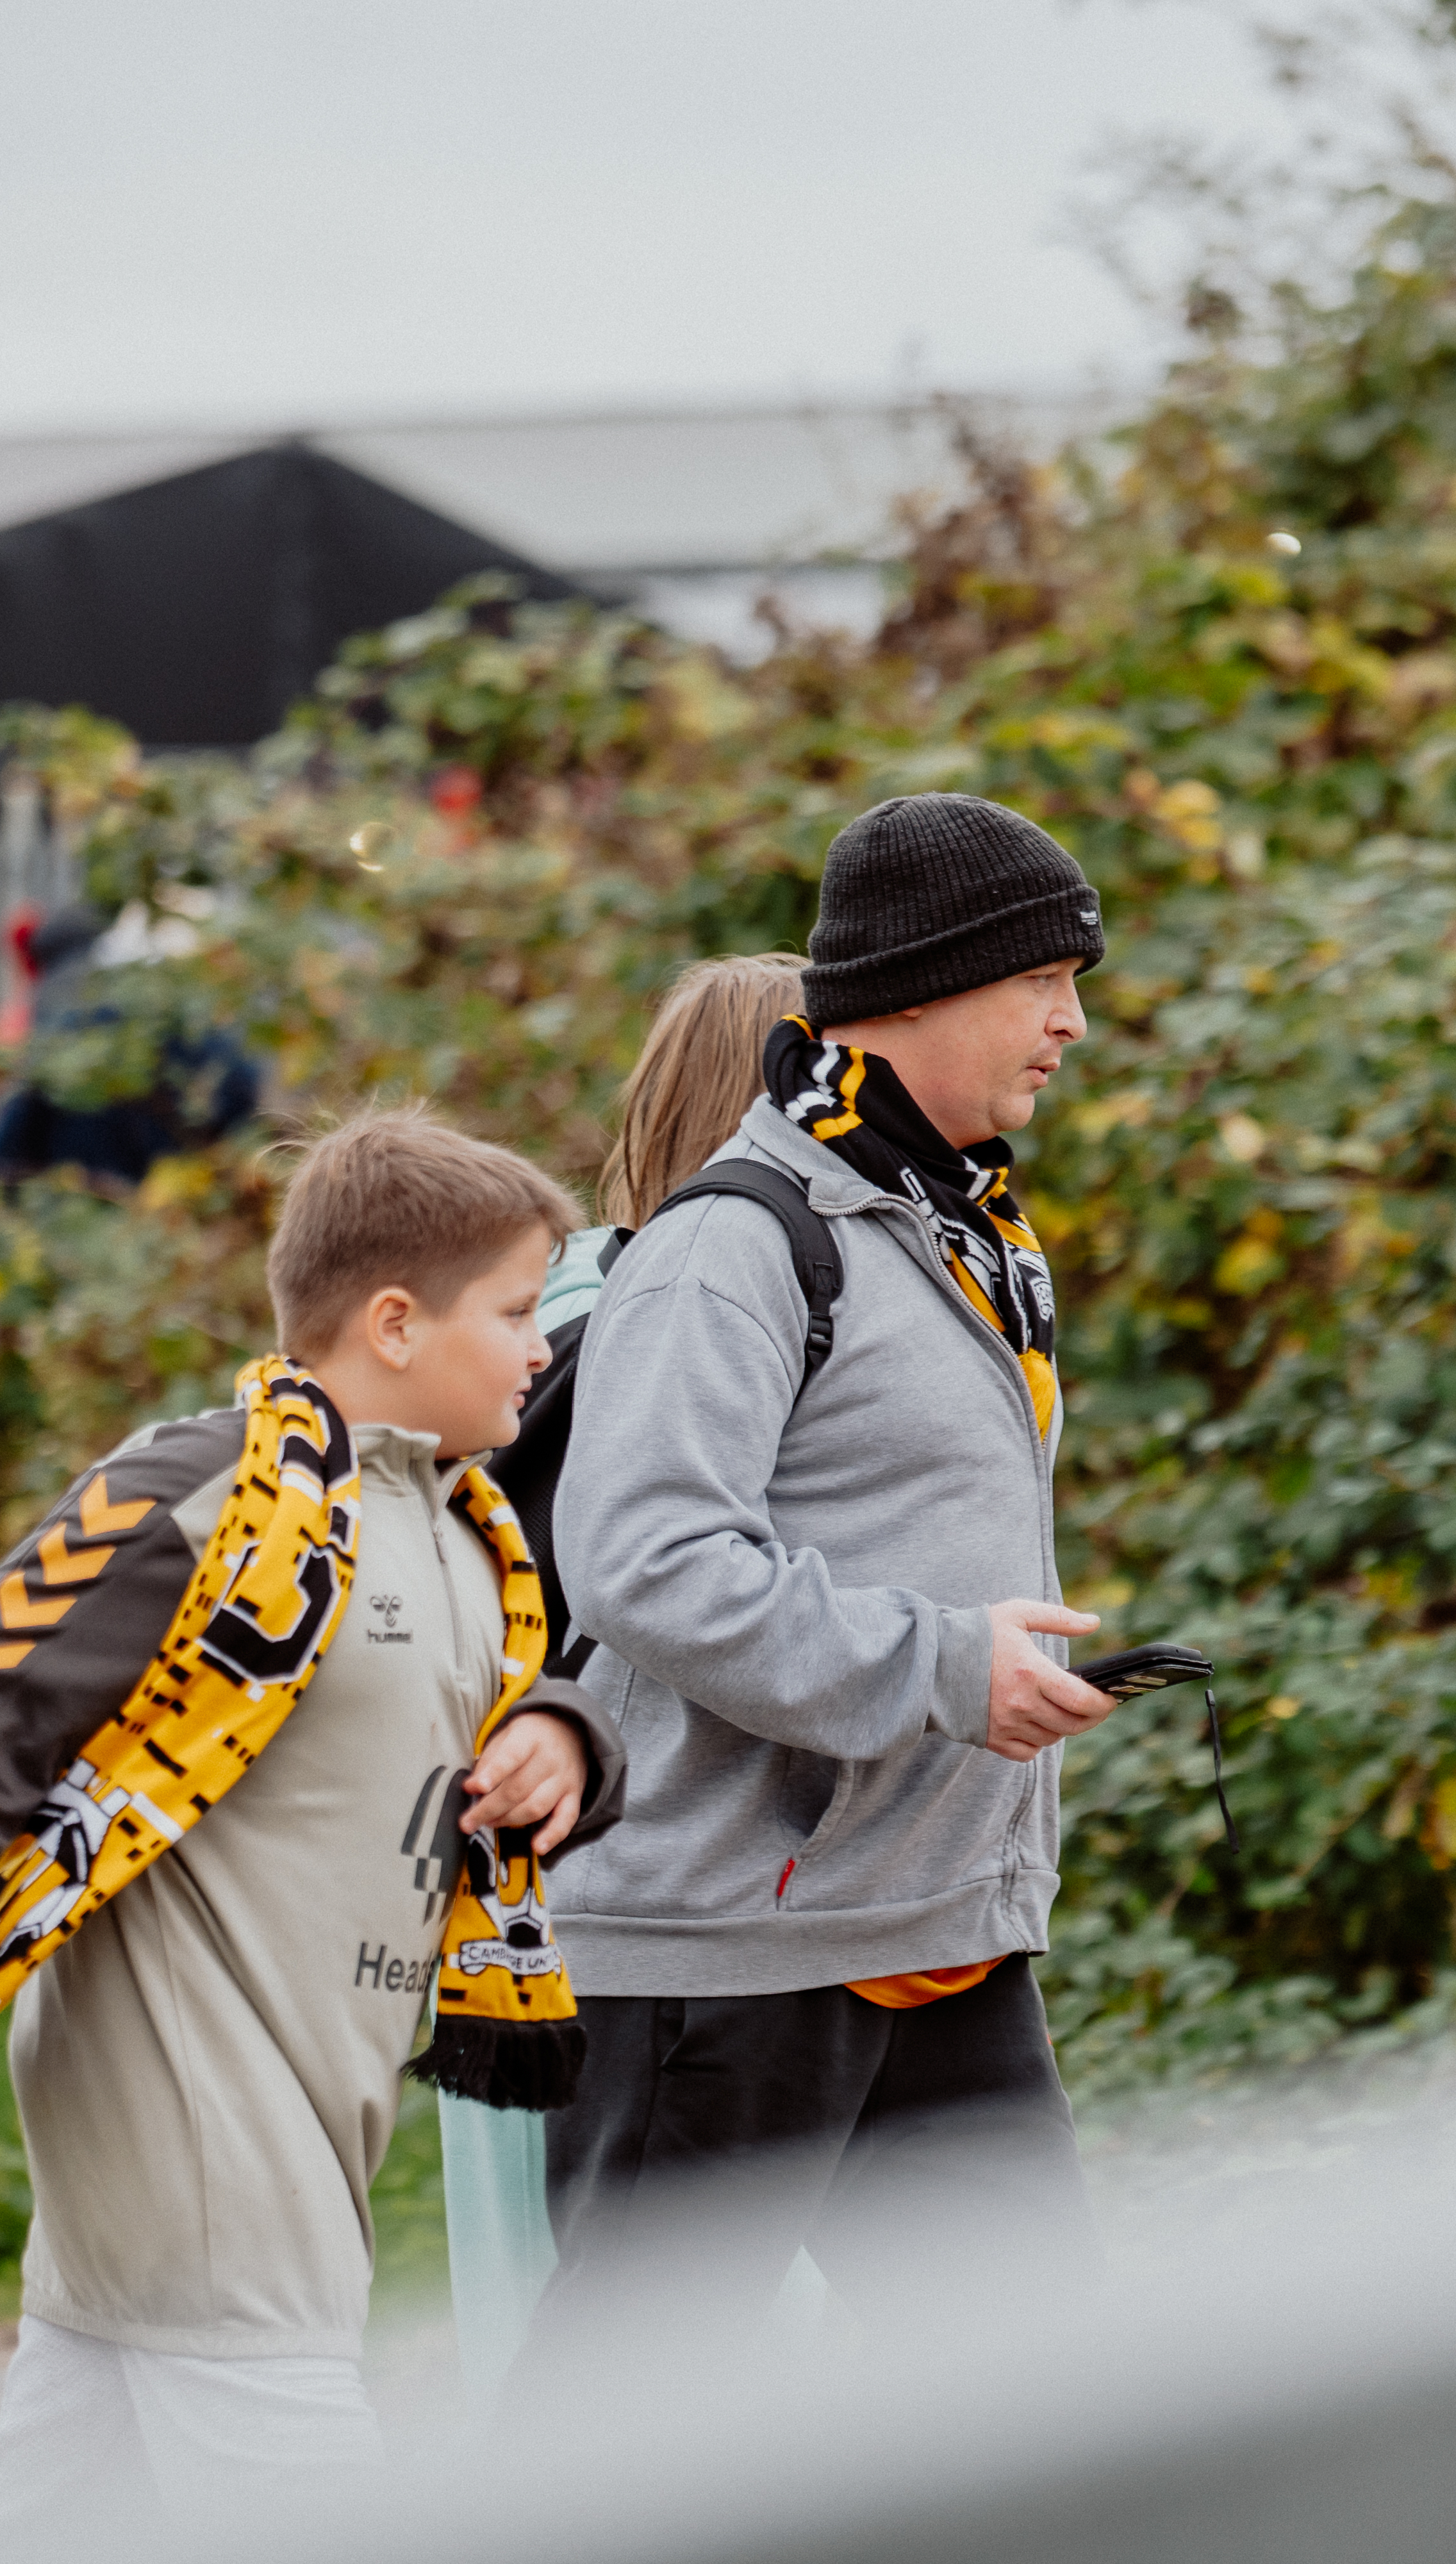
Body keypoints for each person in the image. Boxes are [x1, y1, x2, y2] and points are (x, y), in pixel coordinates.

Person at [0, 1103, 627, 2556]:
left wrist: (565, 1735)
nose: (541, 1341)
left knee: (54, 2496)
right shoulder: (222, 1492)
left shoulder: (459, 1529)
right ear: (390, 1321)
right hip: (195, 2120)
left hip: (310, 2117)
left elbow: (488, 1708)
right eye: (513, 1309)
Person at [522, 793, 1122, 2368]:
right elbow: (647, 1560)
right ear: (918, 985)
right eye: (1044, 980)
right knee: (623, 2451)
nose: (1075, 1019)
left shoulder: (957, 1227)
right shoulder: (736, 1242)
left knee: (1062, 2420)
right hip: (727, 1951)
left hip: (930, 1931)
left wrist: (987, 1672)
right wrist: (940, 1666)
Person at [443, 949, 803, 2393]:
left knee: (528, 2282)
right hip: (665, 1870)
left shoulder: (537, 1313)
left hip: (498, 1854)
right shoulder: (699, 1332)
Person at [0, 903, 261, 1186]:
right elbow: (246, 1115)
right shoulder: (203, 1035)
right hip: (186, 1208)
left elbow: (5, 1159)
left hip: (79, 1210)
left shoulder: (65, 1030)